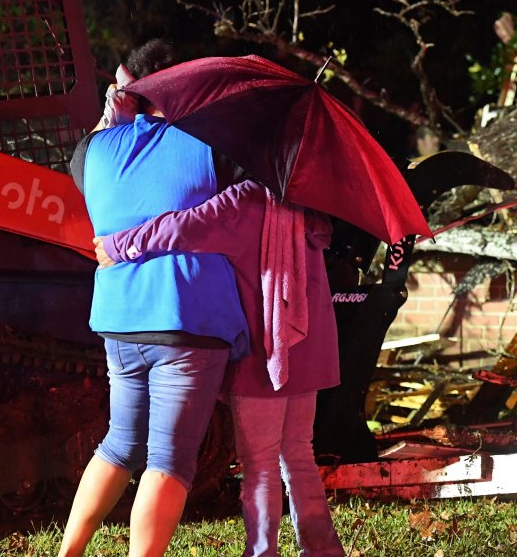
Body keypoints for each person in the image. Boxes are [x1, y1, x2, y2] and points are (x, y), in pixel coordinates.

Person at [59, 39, 249, 557]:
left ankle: (68, 552)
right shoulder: (210, 145)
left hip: (119, 320)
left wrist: (115, 111)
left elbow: (91, 159)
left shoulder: (91, 152)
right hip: (186, 317)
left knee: (120, 443)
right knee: (169, 459)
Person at [95, 179, 345, 557]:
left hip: (267, 348)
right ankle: (322, 550)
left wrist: (118, 244)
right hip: (307, 348)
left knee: (259, 462)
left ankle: (262, 552)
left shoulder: (244, 200)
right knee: (298, 452)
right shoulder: (306, 203)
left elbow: (181, 227)